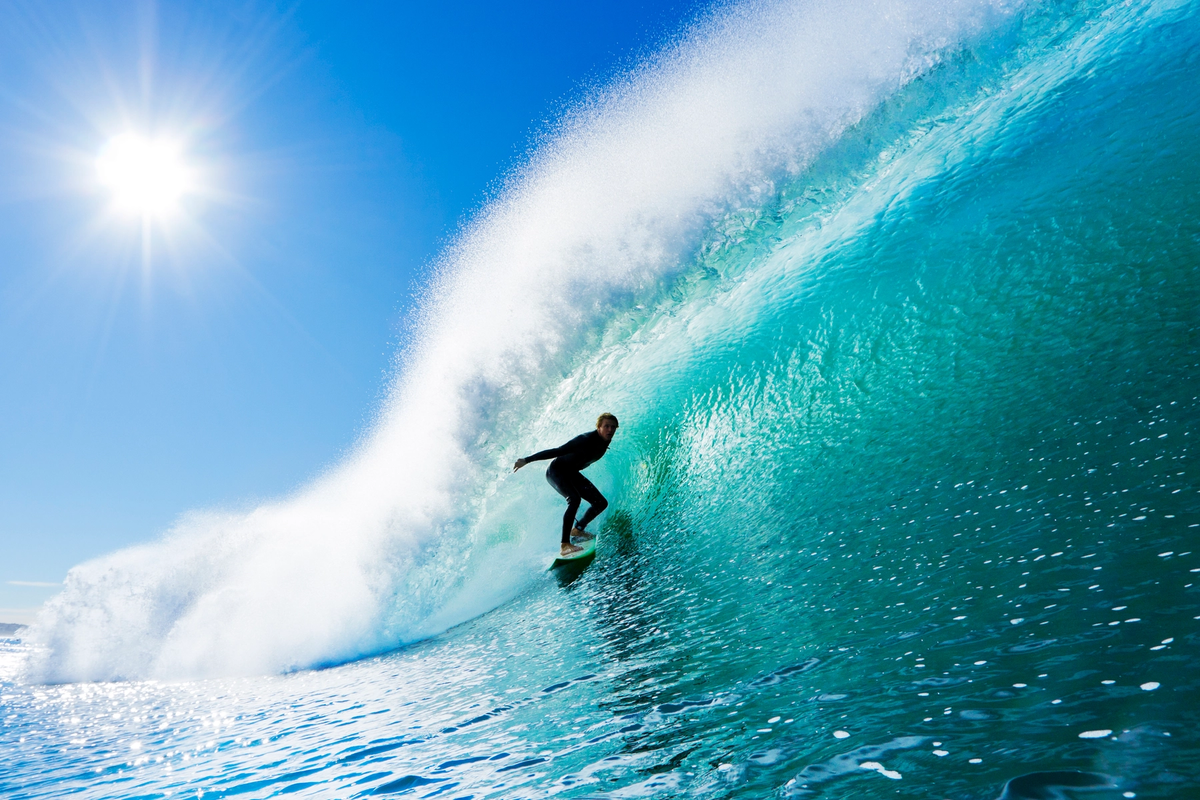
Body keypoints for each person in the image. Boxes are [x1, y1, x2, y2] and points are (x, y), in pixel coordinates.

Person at [513, 413, 619, 556]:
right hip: (556, 471)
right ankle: (565, 544)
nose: (610, 430)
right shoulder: (585, 440)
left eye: (613, 427)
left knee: (600, 503)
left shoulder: (604, 442)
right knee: (574, 499)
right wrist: (527, 460)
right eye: (606, 426)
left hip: (571, 473)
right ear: (599, 427)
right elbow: (557, 451)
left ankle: (578, 530)